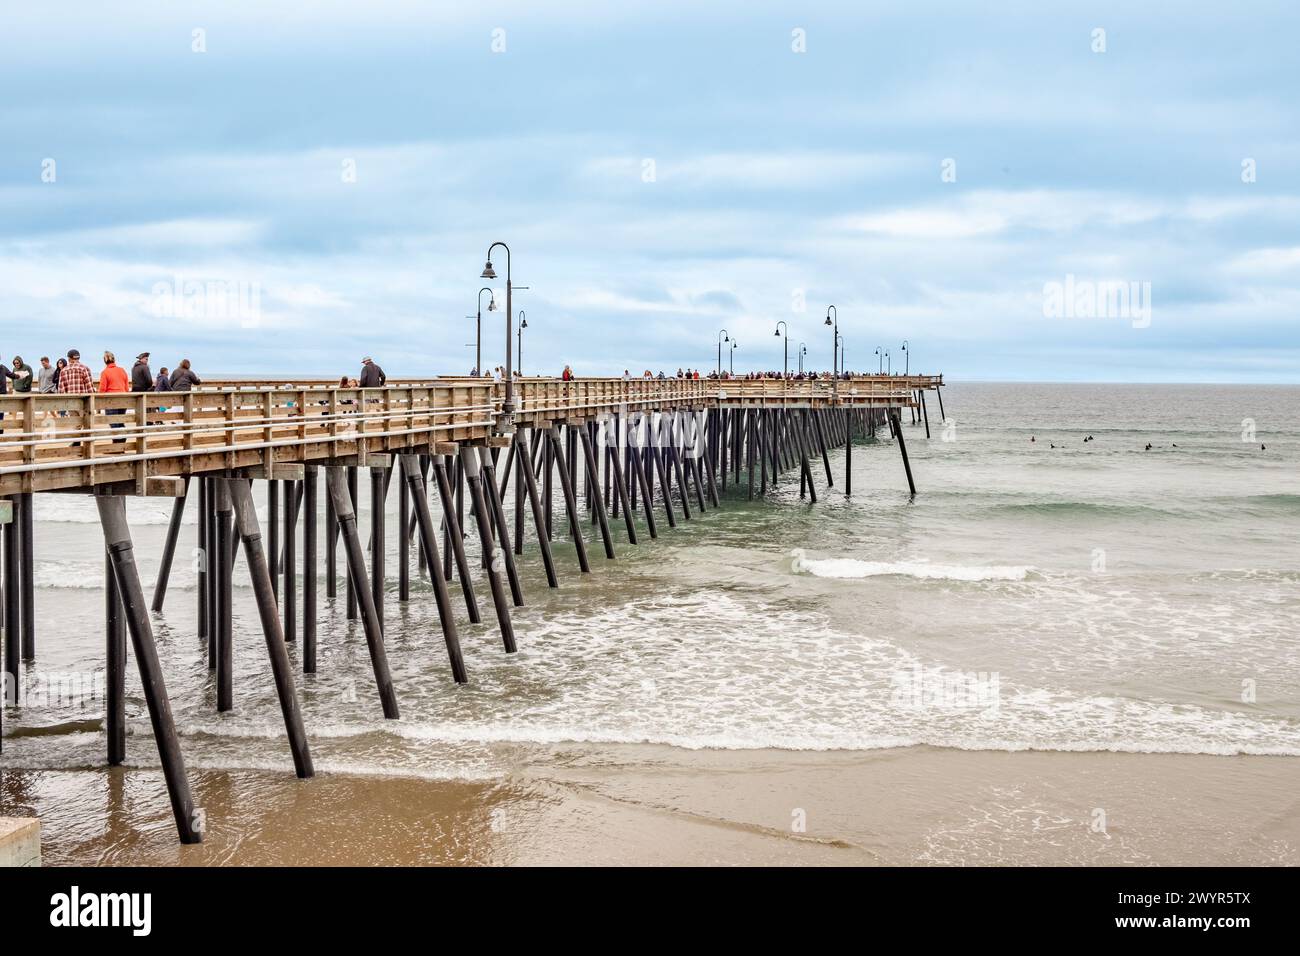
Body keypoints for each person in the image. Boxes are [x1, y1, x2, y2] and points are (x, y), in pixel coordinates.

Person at [98, 351, 130, 442]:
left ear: (104, 361)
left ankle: (117, 444)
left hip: (111, 401)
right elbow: (127, 388)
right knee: (120, 421)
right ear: (114, 359)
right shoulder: (122, 370)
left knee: (113, 422)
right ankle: (122, 442)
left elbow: (102, 390)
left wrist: (99, 401)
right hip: (123, 399)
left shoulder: (105, 372)